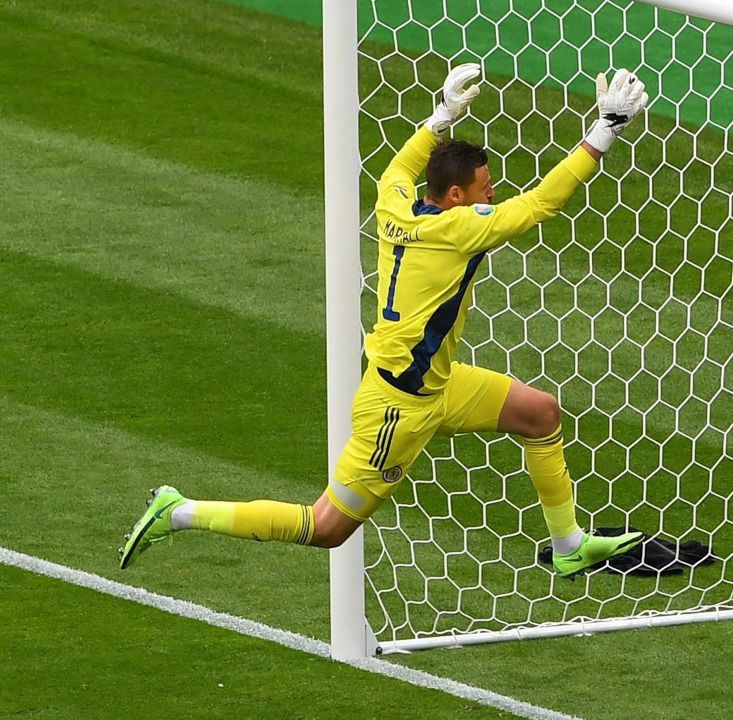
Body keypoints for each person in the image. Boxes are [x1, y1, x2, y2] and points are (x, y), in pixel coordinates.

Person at [119, 64, 649, 578]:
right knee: (325, 527)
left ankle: (569, 546)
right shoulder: (461, 228)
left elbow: (396, 171)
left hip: (438, 383)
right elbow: (540, 204)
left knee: (540, 414)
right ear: (458, 196)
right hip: (399, 406)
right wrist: (605, 130)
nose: (493, 193)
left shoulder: (396, 206)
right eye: (485, 186)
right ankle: (179, 510)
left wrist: (440, 116)